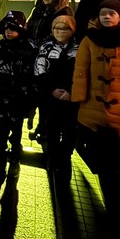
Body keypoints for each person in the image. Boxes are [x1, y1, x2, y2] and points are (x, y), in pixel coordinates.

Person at [71, 0, 120, 239]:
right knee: (101, 162)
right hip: (93, 111)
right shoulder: (89, 39)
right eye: (103, 13)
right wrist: (78, 98)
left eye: (111, 13)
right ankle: (109, 207)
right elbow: (81, 71)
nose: (106, 17)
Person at [0, 10, 38, 178]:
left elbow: (35, 77)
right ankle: (0, 163)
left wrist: (32, 102)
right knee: (2, 134)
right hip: (1, 100)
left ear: (21, 29)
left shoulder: (30, 49)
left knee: (17, 135)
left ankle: (15, 162)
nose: (8, 31)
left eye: (12, 28)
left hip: (20, 101)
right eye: (6, 28)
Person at [25, 0, 73, 143]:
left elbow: (60, 34)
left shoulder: (63, 12)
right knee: (36, 92)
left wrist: (39, 45)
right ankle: (38, 123)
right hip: (33, 56)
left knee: (47, 94)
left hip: (52, 59)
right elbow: (28, 27)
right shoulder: (37, 10)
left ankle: (45, 129)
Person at [32, 15, 79, 181]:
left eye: (64, 28)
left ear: (72, 30)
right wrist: (51, 90)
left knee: (70, 132)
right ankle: (51, 158)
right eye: (56, 28)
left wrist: (72, 92)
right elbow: (39, 69)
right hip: (51, 98)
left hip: (73, 99)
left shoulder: (80, 47)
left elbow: (85, 73)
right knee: (52, 129)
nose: (59, 32)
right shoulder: (47, 47)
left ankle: (65, 158)